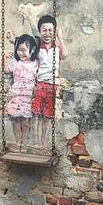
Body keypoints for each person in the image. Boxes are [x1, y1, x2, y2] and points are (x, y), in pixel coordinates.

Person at [31, 15, 68, 150]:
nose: (47, 34)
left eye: (50, 30)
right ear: (40, 31)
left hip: (53, 85)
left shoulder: (57, 49)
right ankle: (35, 140)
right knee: (35, 113)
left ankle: (44, 141)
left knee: (47, 115)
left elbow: (65, 55)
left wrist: (60, 38)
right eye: (44, 30)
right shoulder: (36, 48)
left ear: (54, 31)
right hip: (40, 84)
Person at [4, 34, 39, 146]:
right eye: (18, 50)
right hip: (17, 96)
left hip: (28, 97)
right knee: (16, 121)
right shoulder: (16, 62)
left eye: (24, 50)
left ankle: (24, 143)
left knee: (26, 121)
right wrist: (5, 58)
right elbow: (6, 70)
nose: (20, 53)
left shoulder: (35, 64)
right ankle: (18, 142)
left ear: (32, 50)